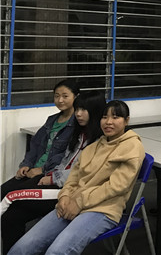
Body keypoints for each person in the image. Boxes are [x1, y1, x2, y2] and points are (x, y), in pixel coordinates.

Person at [8, 100, 145, 255]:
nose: (108, 122)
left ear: (126, 120)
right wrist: (64, 196)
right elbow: (73, 177)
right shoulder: (94, 146)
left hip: (103, 209)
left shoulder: (132, 147)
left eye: (115, 117)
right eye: (104, 117)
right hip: (71, 202)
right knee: (22, 247)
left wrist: (79, 202)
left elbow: (115, 187)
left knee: (57, 252)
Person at [1, 91, 106, 253]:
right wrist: (51, 174)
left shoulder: (101, 140)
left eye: (84, 110)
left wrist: (53, 178)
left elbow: (83, 172)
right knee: (11, 217)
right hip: (57, 181)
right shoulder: (80, 134)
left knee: (12, 197)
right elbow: (64, 161)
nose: (78, 114)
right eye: (77, 109)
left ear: (96, 111)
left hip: (69, 191)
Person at [2, 79, 79, 200]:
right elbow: (35, 144)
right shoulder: (51, 120)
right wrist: (26, 165)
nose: (60, 100)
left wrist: (42, 170)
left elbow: (66, 156)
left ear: (76, 97)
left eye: (65, 96)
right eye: (57, 96)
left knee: (14, 198)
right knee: (3, 191)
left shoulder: (77, 124)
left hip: (49, 174)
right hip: (33, 169)